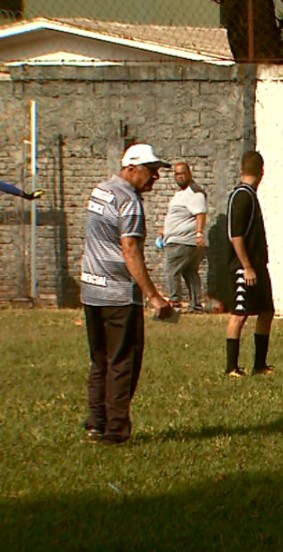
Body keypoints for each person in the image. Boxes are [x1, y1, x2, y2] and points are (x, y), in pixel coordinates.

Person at [81, 143, 174, 444]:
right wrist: (153, 296)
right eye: (151, 171)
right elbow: (130, 249)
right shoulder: (129, 201)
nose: (155, 178)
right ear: (132, 168)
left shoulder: (101, 190)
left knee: (100, 359)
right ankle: (116, 429)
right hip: (119, 293)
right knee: (123, 361)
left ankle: (96, 422)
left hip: (91, 289)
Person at [225, 151, 275, 378]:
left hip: (258, 265)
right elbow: (236, 235)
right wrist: (246, 266)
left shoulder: (251, 195)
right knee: (239, 314)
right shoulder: (241, 196)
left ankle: (260, 364)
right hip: (244, 266)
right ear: (262, 172)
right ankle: (231, 367)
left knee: (266, 311)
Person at [158, 162, 208, 313]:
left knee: (170, 271)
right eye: (176, 174)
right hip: (178, 239)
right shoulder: (181, 193)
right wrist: (165, 230)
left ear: (189, 174)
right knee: (190, 272)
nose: (179, 177)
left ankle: (175, 303)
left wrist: (199, 234)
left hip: (182, 241)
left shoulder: (195, 192)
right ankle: (196, 306)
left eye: (182, 174)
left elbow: (200, 214)